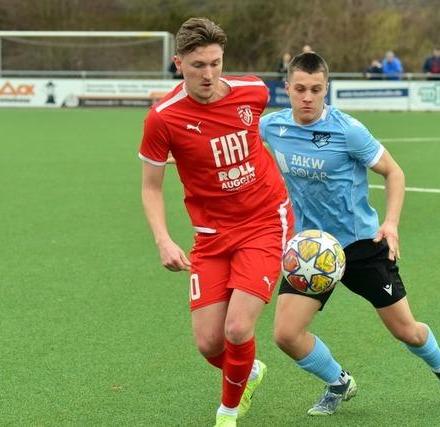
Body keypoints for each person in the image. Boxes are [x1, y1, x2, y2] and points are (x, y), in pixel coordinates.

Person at [260, 52, 440, 417]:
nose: (307, 97)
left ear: (327, 88)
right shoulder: (272, 127)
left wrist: (390, 223)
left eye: (315, 89)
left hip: (361, 245)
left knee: (406, 330)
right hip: (312, 252)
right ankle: (339, 382)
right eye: (299, 89)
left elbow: (395, 173)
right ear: (286, 89)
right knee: (285, 335)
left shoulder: (348, 131)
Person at [138, 17, 293, 427]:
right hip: (210, 234)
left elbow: (261, 135)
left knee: (238, 329)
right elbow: (151, 187)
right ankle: (248, 372)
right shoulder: (162, 119)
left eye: (215, 63)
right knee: (209, 342)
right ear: (178, 63)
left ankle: (227, 412)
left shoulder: (253, 92)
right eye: (197, 66)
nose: (208, 74)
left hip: (264, 221)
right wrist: (163, 240)